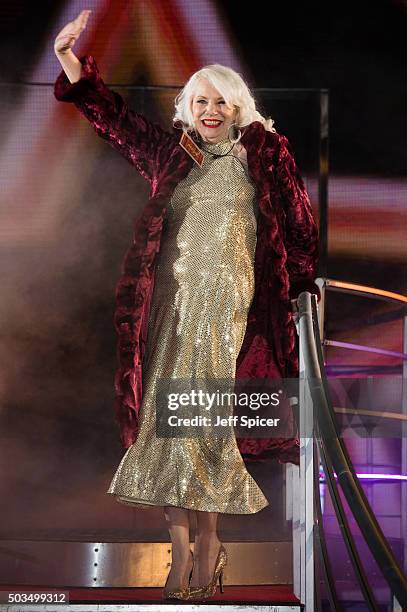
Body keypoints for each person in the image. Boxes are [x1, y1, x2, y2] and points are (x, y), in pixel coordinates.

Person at [54, 9, 320, 602]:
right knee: (167, 429)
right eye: (199, 102)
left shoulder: (264, 154)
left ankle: (207, 547)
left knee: (205, 425)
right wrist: (71, 61)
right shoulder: (171, 155)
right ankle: (183, 557)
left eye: (219, 102)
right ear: (187, 109)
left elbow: (299, 228)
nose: (209, 111)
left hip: (231, 314)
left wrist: (301, 287)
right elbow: (113, 120)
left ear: (237, 105)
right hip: (170, 310)